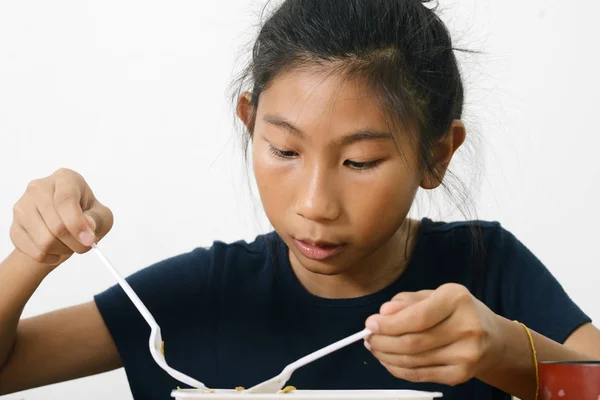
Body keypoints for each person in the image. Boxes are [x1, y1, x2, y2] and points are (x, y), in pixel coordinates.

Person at [0, 0, 599, 399]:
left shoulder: (485, 269)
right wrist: (34, 255)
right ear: (248, 123)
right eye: (284, 151)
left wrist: (505, 351)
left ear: (438, 155)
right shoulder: (201, 295)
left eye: (360, 162)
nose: (314, 203)